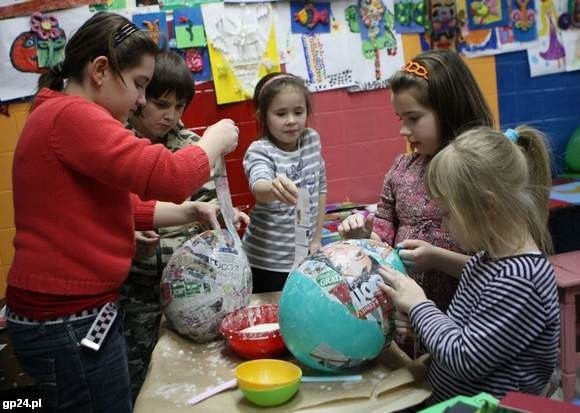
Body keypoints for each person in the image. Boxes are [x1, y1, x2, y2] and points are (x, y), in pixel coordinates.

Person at [5, 12, 238, 413]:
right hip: (66, 321)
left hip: (65, 317)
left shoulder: (56, 113)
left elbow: (119, 204)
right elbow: (168, 175)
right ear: (100, 70)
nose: (141, 101)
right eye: (139, 85)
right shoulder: (73, 116)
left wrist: (190, 213)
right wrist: (214, 139)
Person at [378, 126, 559, 406]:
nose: (444, 225)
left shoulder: (522, 280)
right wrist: (424, 328)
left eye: (448, 214)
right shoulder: (489, 261)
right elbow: (470, 332)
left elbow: (465, 358)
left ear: (488, 206)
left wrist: (419, 306)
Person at [338, 50, 494, 357]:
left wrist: (437, 259)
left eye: (414, 118)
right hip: (405, 331)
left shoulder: (481, 174)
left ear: (449, 109)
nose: (403, 131)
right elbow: (381, 243)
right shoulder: (401, 169)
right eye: (400, 118)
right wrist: (363, 240)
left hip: (463, 335)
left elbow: (500, 270)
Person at [120, 49, 248, 401]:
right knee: (138, 377)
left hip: (193, 292)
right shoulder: (119, 147)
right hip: (135, 291)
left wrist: (228, 220)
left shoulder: (196, 146)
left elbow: (212, 209)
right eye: (161, 105)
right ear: (139, 97)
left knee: (192, 378)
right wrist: (127, 235)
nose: (170, 116)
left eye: (179, 107)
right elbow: (108, 211)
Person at [242, 72, 327, 293]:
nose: (291, 120)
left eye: (298, 112)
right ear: (263, 117)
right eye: (281, 113)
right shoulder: (260, 151)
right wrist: (272, 188)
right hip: (266, 262)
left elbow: (321, 188)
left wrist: (317, 238)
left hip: (305, 253)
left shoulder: (311, 140)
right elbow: (259, 187)